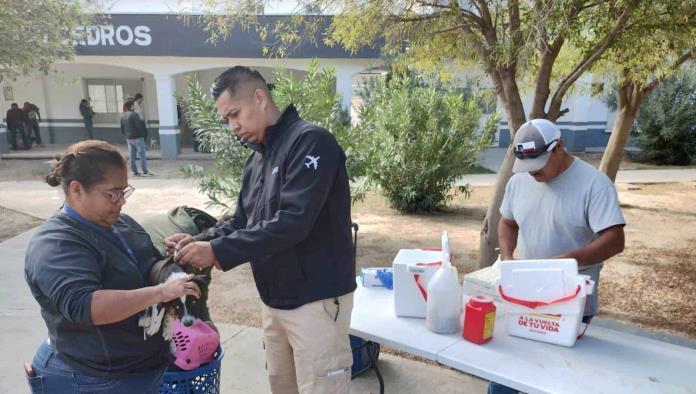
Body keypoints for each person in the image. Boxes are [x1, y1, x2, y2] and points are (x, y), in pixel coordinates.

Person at [165, 66, 356, 394]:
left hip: (316, 301)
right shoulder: (256, 160)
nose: (233, 126)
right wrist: (200, 241)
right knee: (282, 386)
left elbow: (292, 222)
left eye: (235, 114)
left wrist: (217, 251)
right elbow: (242, 220)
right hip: (275, 300)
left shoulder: (311, 142)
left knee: (322, 388)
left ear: (259, 97)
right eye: (227, 119)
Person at [24, 140, 201, 393]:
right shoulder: (55, 244)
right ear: (76, 190)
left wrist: (170, 255)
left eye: (124, 191)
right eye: (112, 194)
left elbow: (145, 266)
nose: (121, 202)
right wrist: (161, 292)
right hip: (91, 377)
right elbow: (86, 306)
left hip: (134, 368)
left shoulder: (120, 224)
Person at [489, 119, 626, 394]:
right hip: (524, 297)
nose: (533, 173)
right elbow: (508, 222)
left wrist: (567, 262)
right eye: (527, 167)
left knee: (558, 380)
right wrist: (507, 257)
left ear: (559, 147)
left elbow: (615, 240)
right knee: (507, 374)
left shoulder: (594, 184)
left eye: (538, 165)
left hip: (571, 302)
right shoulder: (519, 182)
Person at [120, 100, 153, 176]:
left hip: (129, 138)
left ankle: (134, 171)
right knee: (142, 155)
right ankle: (145, 170)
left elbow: (122, 129)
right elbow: (139, 127)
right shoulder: (134, 115)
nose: (135, 107)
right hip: (138, 138)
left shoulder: (123, 116)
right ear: (131, 106)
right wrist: (143, 136)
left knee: (132, 156)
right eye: (134, 105)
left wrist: (127, 136)